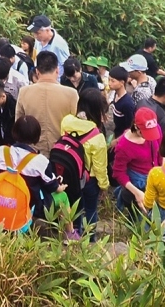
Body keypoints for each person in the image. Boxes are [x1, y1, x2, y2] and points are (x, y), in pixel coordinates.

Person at [0, 115, 65, 224]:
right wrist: (59, 187)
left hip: (0, 203)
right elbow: (51, 186)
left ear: (14, 132)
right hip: (30, 207)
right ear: (37, 137)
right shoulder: (40, 161)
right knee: (63, 196)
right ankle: (68, 234)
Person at [61, 88, 108, 231]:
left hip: (69, 174)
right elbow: (100, 167)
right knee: (90, 210)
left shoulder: (66, 121)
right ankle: (89, 238)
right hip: (89, 180)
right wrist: (104, 186)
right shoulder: (97, 136)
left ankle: (72, 234)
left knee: (73, 207)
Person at [14, 51, 78, 151]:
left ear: (37, 72)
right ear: (57, 70)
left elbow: (19, 124)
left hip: (33, 153)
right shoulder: (71, 94)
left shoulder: (24, 92)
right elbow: (77, 126)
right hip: (63, 153)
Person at [112, 105, 162, 216]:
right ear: (136, 127)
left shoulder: (154, 127)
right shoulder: (124, 146)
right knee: (140, 218)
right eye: (145, 133)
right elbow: (118, 173)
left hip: (155, 175)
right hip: (137, 181)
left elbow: (160, 151)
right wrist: (136, 192)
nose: (150, 137)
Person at [106, 65, 136, 139]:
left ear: (122, 82)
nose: (109, 83)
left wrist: (117, 141)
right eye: (109, 80)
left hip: (122, 138)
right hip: (116, 133)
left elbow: (130, 128)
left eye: (113, 81)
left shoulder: (127, 103)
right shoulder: (116, 94)